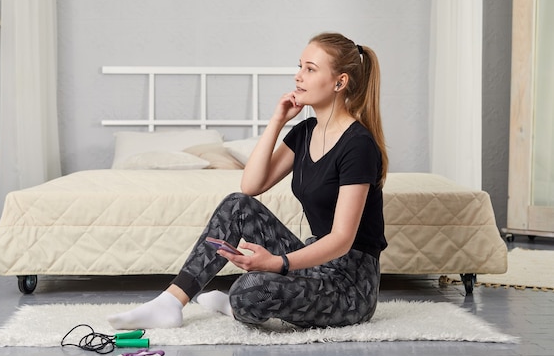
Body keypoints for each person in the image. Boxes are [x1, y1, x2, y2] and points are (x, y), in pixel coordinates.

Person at [108, 32, 388, 330]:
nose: (298, 77)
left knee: (249, 290)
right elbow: (251, 186)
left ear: (339, 82)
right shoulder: (305, 131)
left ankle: (235, 303)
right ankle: (171, 302)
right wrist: (277, 121)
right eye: (299, 67)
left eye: (310, 69)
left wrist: (277, 264)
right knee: (237, 205)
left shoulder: (358, 145)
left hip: (350, 287)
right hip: (314, 266)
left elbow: (342, 240)